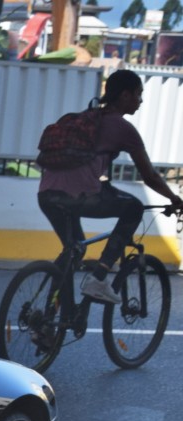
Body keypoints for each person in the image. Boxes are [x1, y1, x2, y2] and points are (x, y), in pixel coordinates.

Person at [37, 69, 183, 304]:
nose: (141, 101)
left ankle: (49, 319)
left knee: (74, 250)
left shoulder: (85, 118)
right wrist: (174, 199)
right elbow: (150, 176)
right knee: (133, 208)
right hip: (80, 196)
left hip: (47, 196)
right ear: (125, 96)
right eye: (138, 94)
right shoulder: (122, 128)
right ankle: (99, 277)